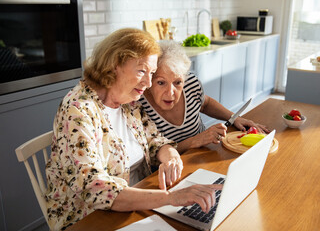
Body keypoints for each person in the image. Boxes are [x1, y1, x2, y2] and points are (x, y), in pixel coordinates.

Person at [45, 29, 222, 230]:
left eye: (152, 73)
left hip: (140, 201)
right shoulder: (79, 109)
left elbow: (157, 142)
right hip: (90, 218)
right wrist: (170, 198)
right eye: (141, 71)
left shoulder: (129, 102)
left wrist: (171, 156)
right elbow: (94, 188)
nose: (148, 83)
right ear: (114, 66)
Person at [140, 40, 269, 153]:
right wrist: (195, 141)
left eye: (177, 82)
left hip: (205, 152)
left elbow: (205, 103)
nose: (170, 92)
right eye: (161, 83)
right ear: (150, 79)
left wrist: (234, 117)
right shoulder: (139, 105)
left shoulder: (191, 84)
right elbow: (152, 157)